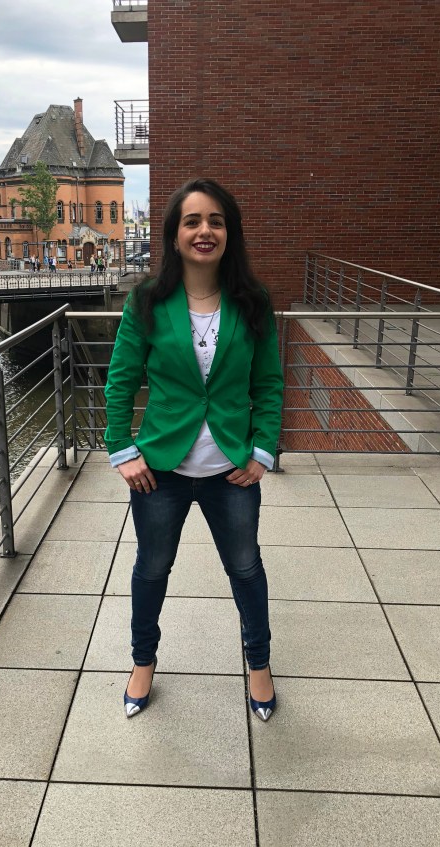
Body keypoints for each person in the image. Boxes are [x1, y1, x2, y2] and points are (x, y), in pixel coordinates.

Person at [104, 178, 284, 721]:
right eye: (192, 221)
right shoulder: (147, 301)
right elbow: (120, 382)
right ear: (174, 234)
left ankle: (258, 664)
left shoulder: (253, 301)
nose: (204, 231)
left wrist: (262, 452)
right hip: (160, 470)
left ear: (229, 232)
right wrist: (122, 451)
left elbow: (269, 384)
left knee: (246, 567)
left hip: (231, 469)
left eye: (215, 221)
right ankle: (142, 662)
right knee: (152, 568)